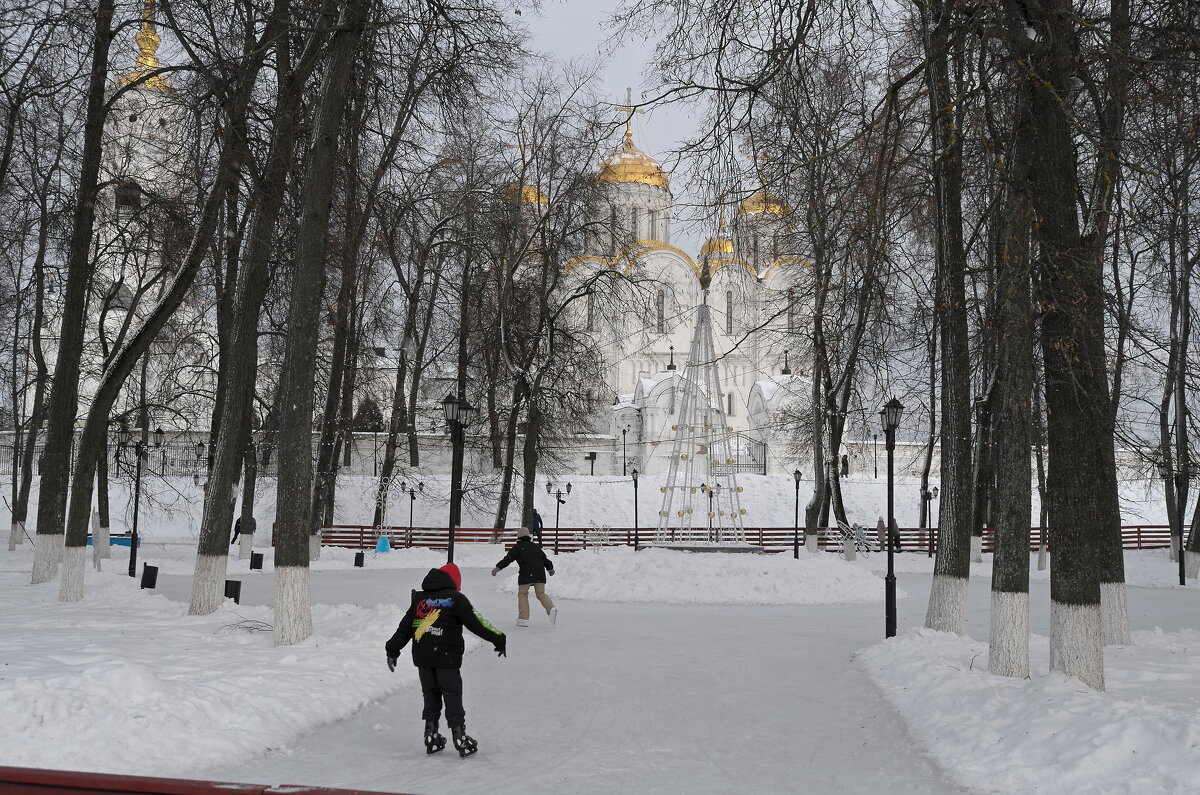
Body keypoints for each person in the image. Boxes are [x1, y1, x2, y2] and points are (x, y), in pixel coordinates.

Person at [385, 562, 506, 758]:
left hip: (424, 658)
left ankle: (431, 735)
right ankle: (460, 737)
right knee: (452, 694)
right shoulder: (456, 599)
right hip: (447, 658)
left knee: (430, 695)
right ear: (455, 582)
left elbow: (404, 628)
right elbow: (478, 623)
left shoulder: (419, 599)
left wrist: (392, 649)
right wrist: (498, 638)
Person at [492, 527, 556, 626]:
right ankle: (551, 608)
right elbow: (545, 559)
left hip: (526, 574)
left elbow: (508, 559)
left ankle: (523, 619)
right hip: (540, 574)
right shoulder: (535, 547)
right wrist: (550, 569)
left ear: (519, 536)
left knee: (523, 594)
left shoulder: (518, 547)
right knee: (541, 594)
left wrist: (498, 568)